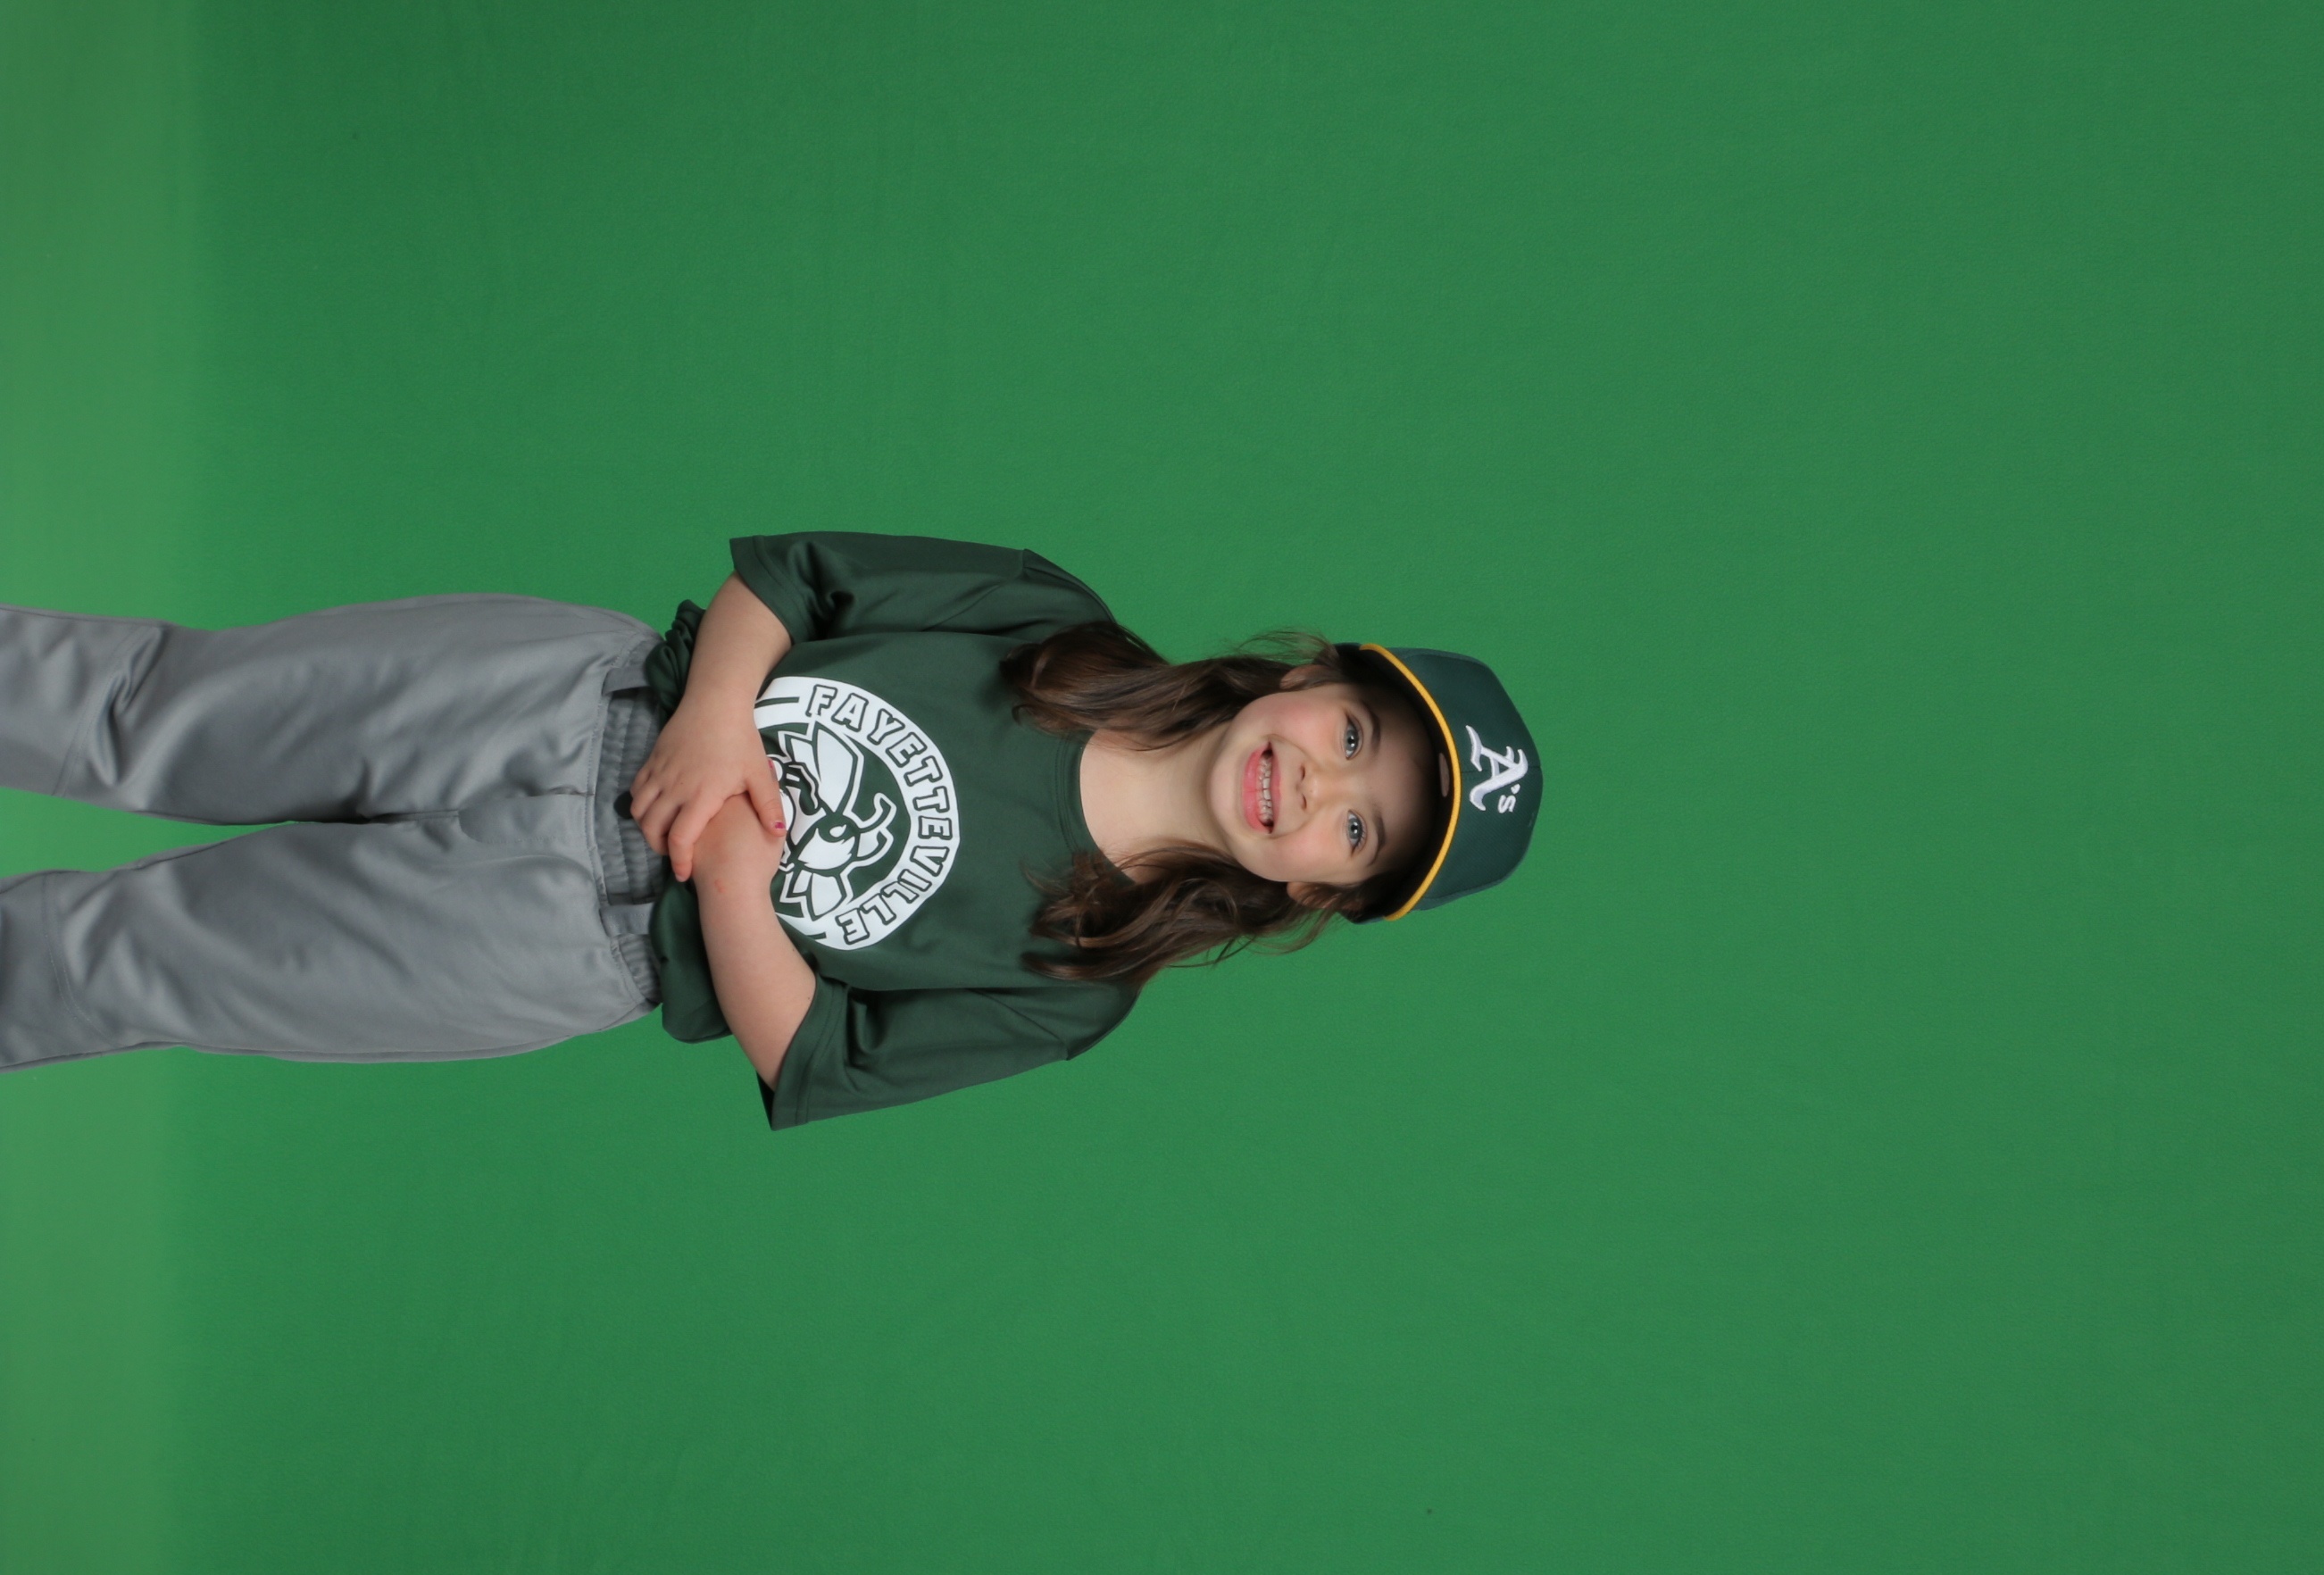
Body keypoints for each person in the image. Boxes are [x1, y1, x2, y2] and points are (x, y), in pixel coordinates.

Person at [0, 532, 1545, 1128]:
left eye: (1361, 834)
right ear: (1315, 677)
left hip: (565, 935)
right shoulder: (1056, 623)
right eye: (1356, 738)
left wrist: (738, 869)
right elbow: (795, 580)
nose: (1323, 789)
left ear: (1320, 893)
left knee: (139, 964)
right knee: (155, 708)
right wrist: (716, 720)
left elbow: (812, 1056)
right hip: (570, 700)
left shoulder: (1078, 980)